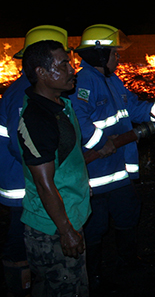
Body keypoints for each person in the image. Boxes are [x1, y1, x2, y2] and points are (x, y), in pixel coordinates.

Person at [68, 24, 155, 289]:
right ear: (99, 54)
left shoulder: (112, 80)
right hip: (95, 173)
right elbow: (77, 118)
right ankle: (93, 274)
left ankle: (128, 261)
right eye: (114, 53)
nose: (119, 57)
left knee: (128, 213)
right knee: (94, 224)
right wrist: (100, 143)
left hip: (118, 170)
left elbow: (134, 107)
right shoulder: (83, 82)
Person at [1, 25, 71, 297]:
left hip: (26, 180)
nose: (69, 67)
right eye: (61, 61)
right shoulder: (25, 95)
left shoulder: (28, 89)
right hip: (22, 183)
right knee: (20, 241)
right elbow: (26, 148)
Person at [16, 40, 91, 296]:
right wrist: (66, 231)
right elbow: (43, 183)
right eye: (64, 65)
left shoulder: (61, 105)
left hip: (70, 216)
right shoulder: (37, 119)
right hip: (52, 229)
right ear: (42, 72)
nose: (72, 70)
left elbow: (67, 159)